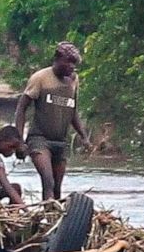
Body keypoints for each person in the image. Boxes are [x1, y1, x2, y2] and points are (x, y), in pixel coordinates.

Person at [15, 41, 90, 200]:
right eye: (68, 62)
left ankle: (53, 219)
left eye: (74, 64)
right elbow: (21, 109)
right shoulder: (40, 78)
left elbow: (72, 111)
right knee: (48, 181)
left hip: (60, 142)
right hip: (40, 140)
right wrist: (20, 141)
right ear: (57, 59)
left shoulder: (74, 81)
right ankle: (47, 214)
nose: (71, 67)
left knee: (57, 187)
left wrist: (84, 136)